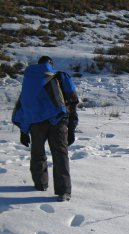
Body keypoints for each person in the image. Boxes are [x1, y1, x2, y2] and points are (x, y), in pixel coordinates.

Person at [12, 56, 79, 201]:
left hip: (36, 123)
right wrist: (72, 127)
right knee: (60, 155)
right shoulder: (59, 76)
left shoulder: (31, 80)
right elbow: (72, 101)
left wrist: (23, 131)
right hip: (58, 121)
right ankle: (63, 191)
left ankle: (40, 184)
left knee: (37, 153)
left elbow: (23, 105)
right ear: (51, 64)